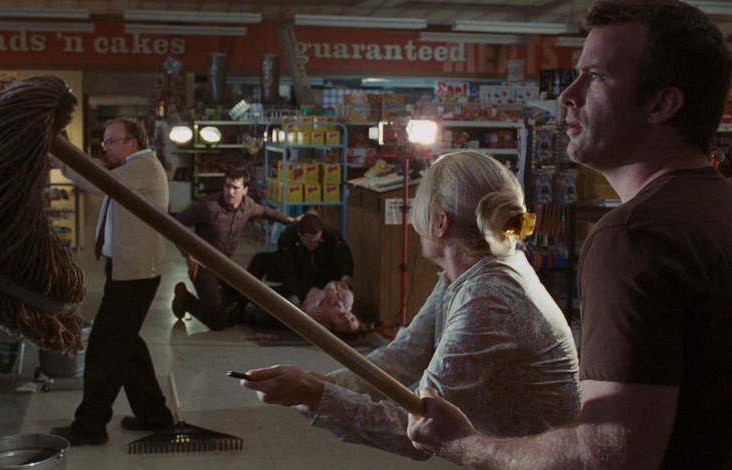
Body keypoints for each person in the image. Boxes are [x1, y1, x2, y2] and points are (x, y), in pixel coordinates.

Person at [407, 1, 732, 468]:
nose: (567, 95)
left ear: (661, 103)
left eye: (595, 77)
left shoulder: (633, 237)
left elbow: (607, 457)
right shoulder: (715, 210)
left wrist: (464, 444)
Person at [239, 150, 581, 458]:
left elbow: (421, 430)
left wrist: (313, 393)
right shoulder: (468, 275)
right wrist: (316, 384)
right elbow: (401, 358)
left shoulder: (490, 299)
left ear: (440, 223)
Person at [50, 117, 174, 445]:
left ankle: (90, 426)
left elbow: (100, 180)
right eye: (104, 141)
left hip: (135, 275)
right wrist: (64, 156)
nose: (105, 147)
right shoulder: (132, 167)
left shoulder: (144, 167)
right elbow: (99, 171)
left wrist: (62, 156)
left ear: (132, 143)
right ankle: (156, 416)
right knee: (128, 346)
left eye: (111, 141)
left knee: (104, 349)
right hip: (126, 270)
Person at [171, 167, 299, 330]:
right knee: (218, 323)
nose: (230, 192)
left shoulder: (248, 205)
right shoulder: (209, 207)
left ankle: (217, 302)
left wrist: (290, 220)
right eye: (227, 186)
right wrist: (188, 255)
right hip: (203, 267)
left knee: (246, 299)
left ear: (245, 190)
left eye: (235, 188)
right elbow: (175, 224)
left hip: (225, 266)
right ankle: (185, 299)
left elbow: (266, 212)